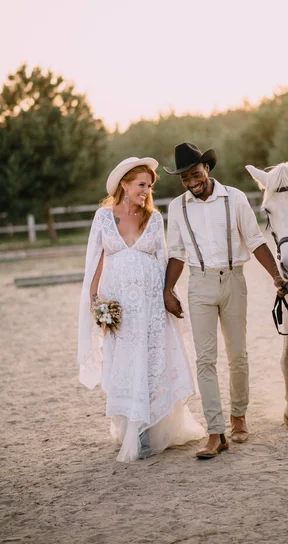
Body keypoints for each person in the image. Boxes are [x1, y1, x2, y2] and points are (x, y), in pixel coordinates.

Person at [163, 143, 286, 459]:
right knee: (204, 359)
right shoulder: (177, 208)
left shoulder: (236, 199)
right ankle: (216, 433)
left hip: (233, 280)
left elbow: (256, 241)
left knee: (238, 355)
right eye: (185, 178)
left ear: (207, 168)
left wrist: (276, 275)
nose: (191, 183)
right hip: (199, 285)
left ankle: (239, 417)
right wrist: (168, 289)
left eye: (195, 174)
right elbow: (176, 252)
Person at [78, 156, 205, 462]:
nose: (146, 191)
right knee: (125, 365)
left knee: (152, 363)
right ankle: (132, 429)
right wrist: (95, 301)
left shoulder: (154, 218)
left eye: (149, 186)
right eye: (140, 185)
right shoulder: (104, 218)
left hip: (150, 307)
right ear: (124, 184)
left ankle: (148, 432)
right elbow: (95, 261)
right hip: (119, 306)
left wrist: (168, 294)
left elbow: (163, 259)